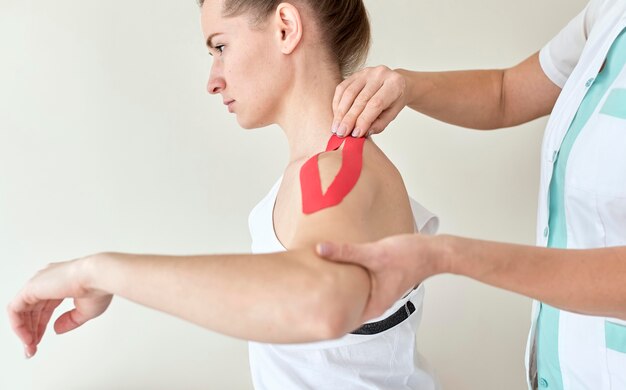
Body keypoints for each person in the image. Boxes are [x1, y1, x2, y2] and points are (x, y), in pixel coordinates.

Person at [7, 0, 441, 388]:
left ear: (286, 27)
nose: (212, 81)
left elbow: (318, 300)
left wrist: (95, 271)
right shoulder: (326, 166)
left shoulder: (337, 172)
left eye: (220, 47)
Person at [319, 0, 626, 389]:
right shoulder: (611, 12)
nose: (214, 80)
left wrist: (447, 255)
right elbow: (506, 93)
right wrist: (407, 85)